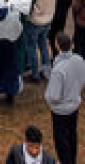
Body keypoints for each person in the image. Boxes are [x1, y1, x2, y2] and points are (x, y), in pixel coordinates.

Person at [47, 32, 85, 164]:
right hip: (74, 105)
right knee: (72, 135)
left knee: (61, 141)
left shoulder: (59, 69)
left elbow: (54, 96)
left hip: (60, 111)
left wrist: (49, 99)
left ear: (57, 46)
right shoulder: (79, 59)